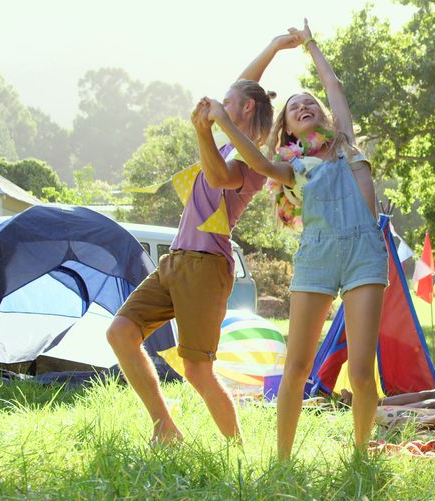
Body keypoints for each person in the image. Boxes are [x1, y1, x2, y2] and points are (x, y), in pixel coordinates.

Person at [206, 20, 386, 460]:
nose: (304, 105)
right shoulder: (293, 166)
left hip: (365, 253)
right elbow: (260, 165)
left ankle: (362, 456)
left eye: (310, 103)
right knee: (297, 366)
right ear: (287, 130)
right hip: (317, 257)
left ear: (323, 116)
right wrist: (225, 123)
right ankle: (282, 461)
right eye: (294, 106)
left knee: (361, 373)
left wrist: (310, 45)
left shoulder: (346, 145)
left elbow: (333, 83)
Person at [106, 35, 298, 445]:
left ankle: (237, 451)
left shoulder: (251, 157)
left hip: (206, 265)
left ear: (244, 109)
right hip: (176, 260)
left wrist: (202, 131)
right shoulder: (230, 133)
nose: (218, 107)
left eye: (227, 104)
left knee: (196, 369)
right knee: (120, 332)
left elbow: (218, 177)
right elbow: (246, 86)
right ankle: (165, 427)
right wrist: (275, 46)